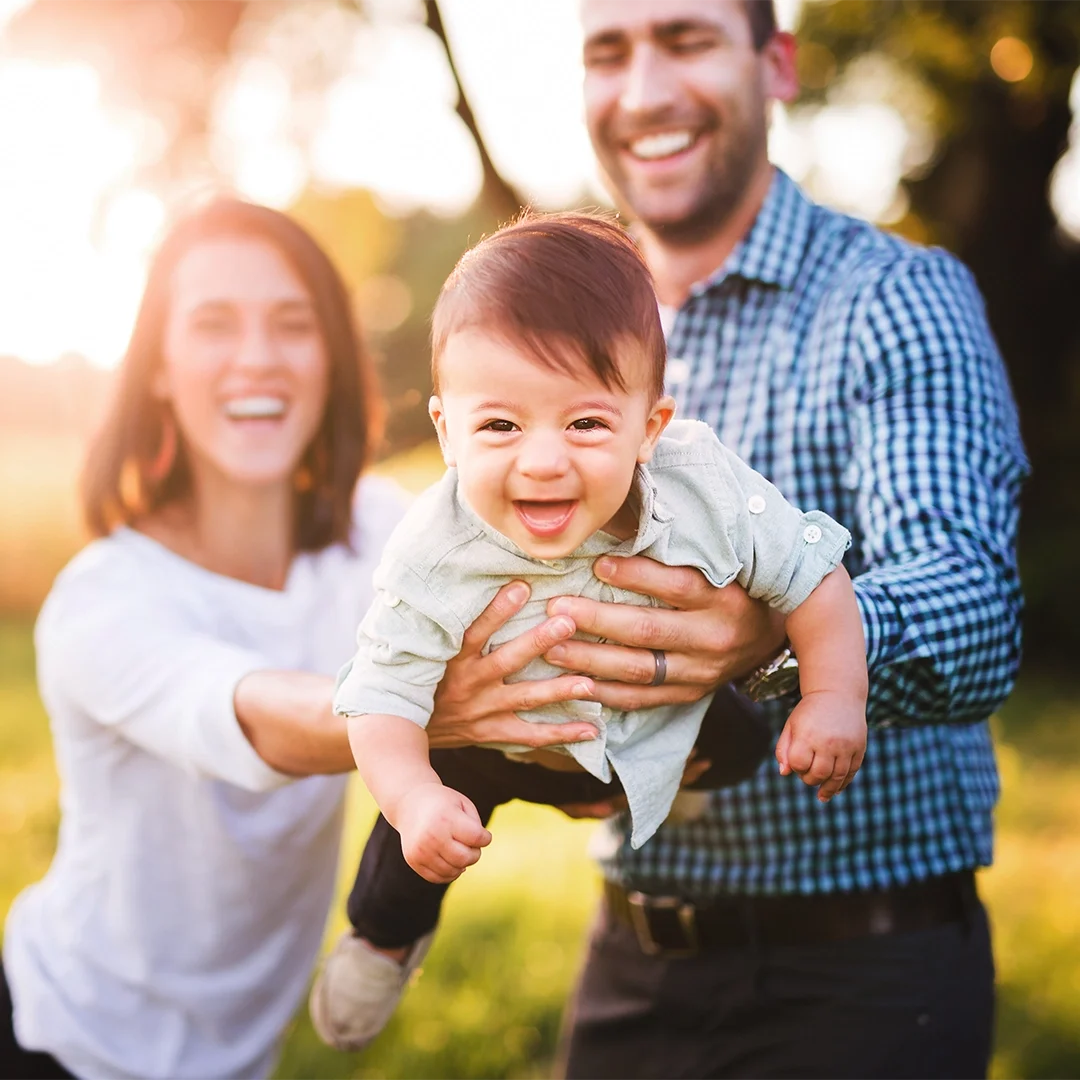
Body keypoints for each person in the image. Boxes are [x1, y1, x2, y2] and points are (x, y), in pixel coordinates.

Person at [0, 198, 604, 1080]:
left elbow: (525, 621)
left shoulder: (381, 535)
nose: (257, 358)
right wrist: (422, 705)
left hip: (240, 1057)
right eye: (213, 325)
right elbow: (258, 716)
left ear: (327, 357)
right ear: (160, 368)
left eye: (292, 325)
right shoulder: (103, 598)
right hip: (66, 1040)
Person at [542, 2, 1029, 1078]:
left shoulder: (893, 298)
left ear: (778, 65)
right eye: (607, 53)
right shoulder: (575, 339)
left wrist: (774, 640)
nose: (644, 92)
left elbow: (976, 609)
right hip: (629, 960)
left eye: (687, 39)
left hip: (866, 978)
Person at [309, 212, 867, 1050]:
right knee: (409, 840)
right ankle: (382, 939)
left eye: (585, 424)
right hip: (496, 743)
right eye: (499, 424)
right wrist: (417, 795)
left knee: (751, 742)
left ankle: (649, 783)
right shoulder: (432, 547)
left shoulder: (703, 488)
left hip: (656, 714)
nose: (542, 461)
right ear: (445, 429)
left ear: (650, 427)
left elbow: (812, 576)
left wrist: (831, 696)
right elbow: (379, 696)